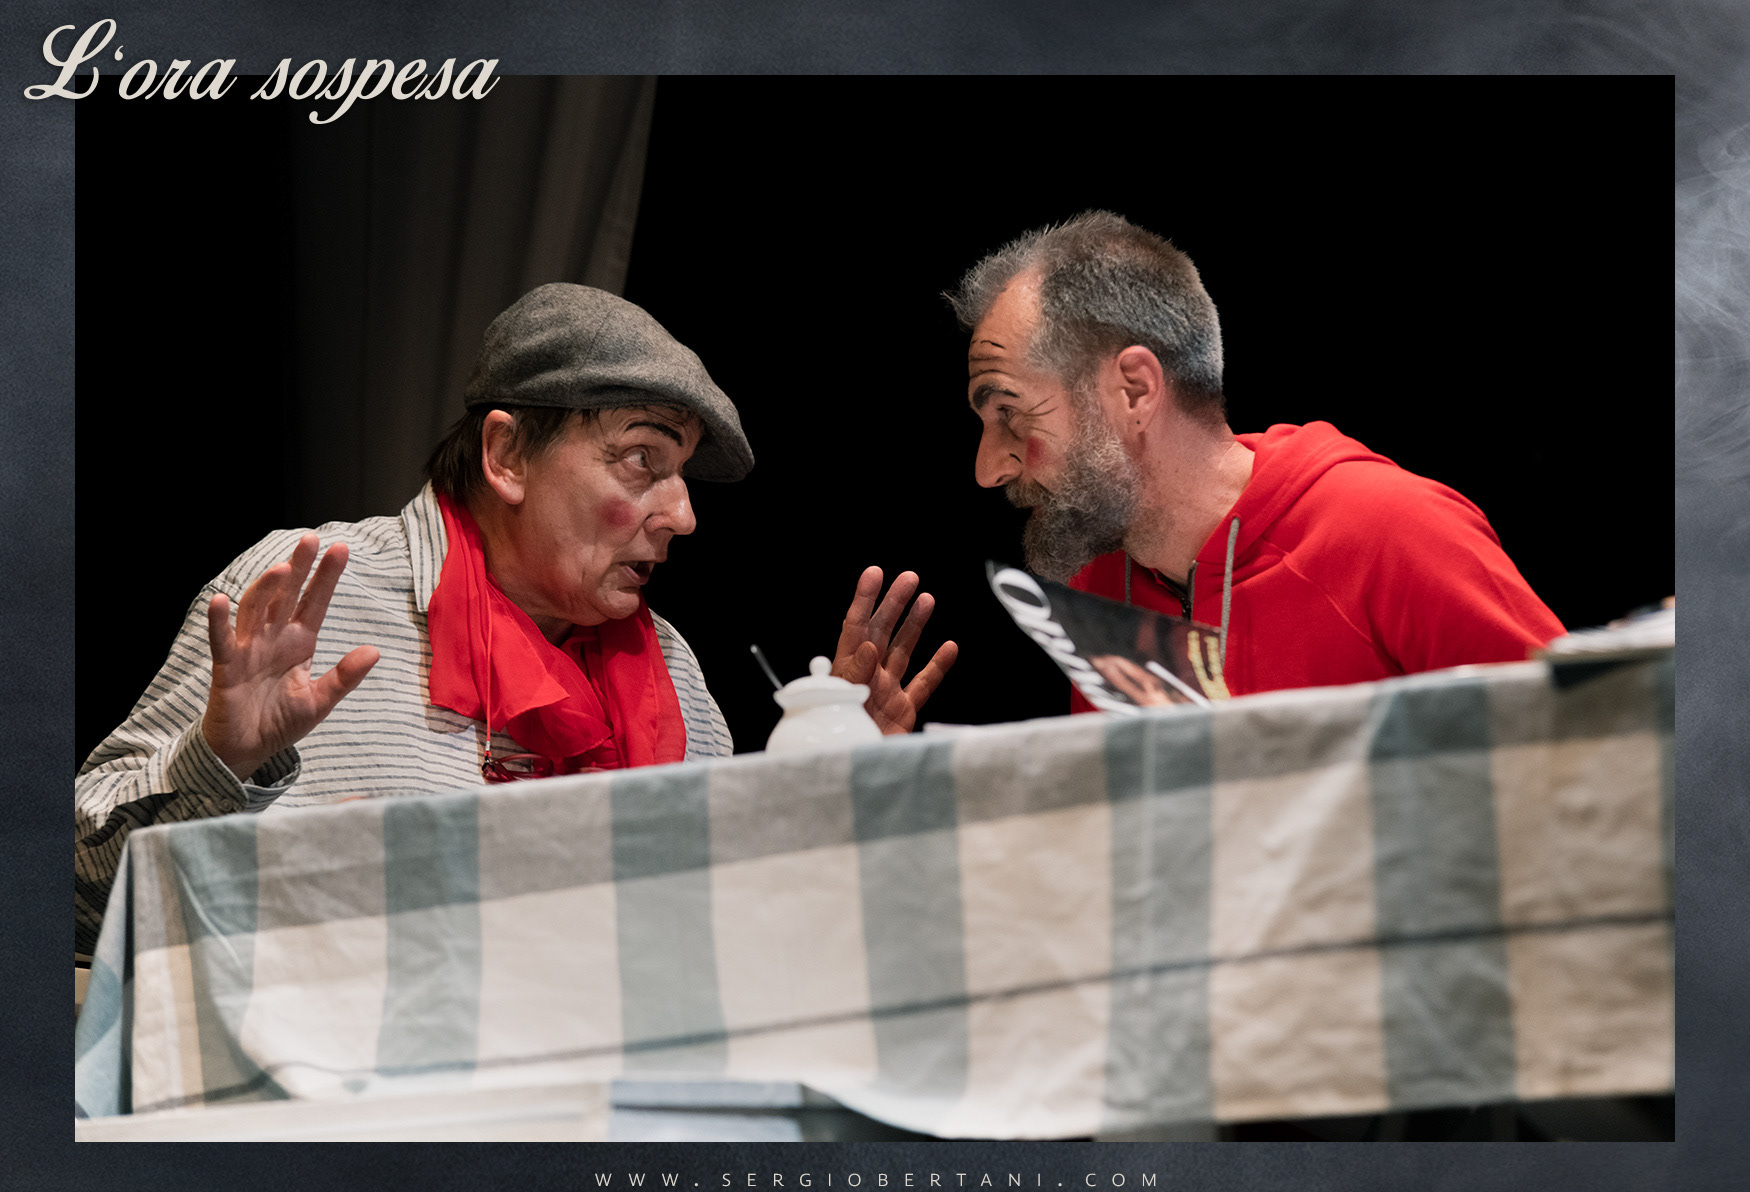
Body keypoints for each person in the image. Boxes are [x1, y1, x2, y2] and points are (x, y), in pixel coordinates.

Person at [75, 284, 957, 952]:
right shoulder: (313, 594)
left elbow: (731, 937)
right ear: (506, 454)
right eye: (642, 460)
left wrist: (828, 791)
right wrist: (221, 762)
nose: (684, 515)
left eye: (683, 474)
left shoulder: (672, 672)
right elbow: (68, 897)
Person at [948, 211, 1563, 710]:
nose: (988, 469)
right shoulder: (1100, 588)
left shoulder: (1391, 533)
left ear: (1134, 390)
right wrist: (903, 775)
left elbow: (1584, 750)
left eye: (1010, 411)